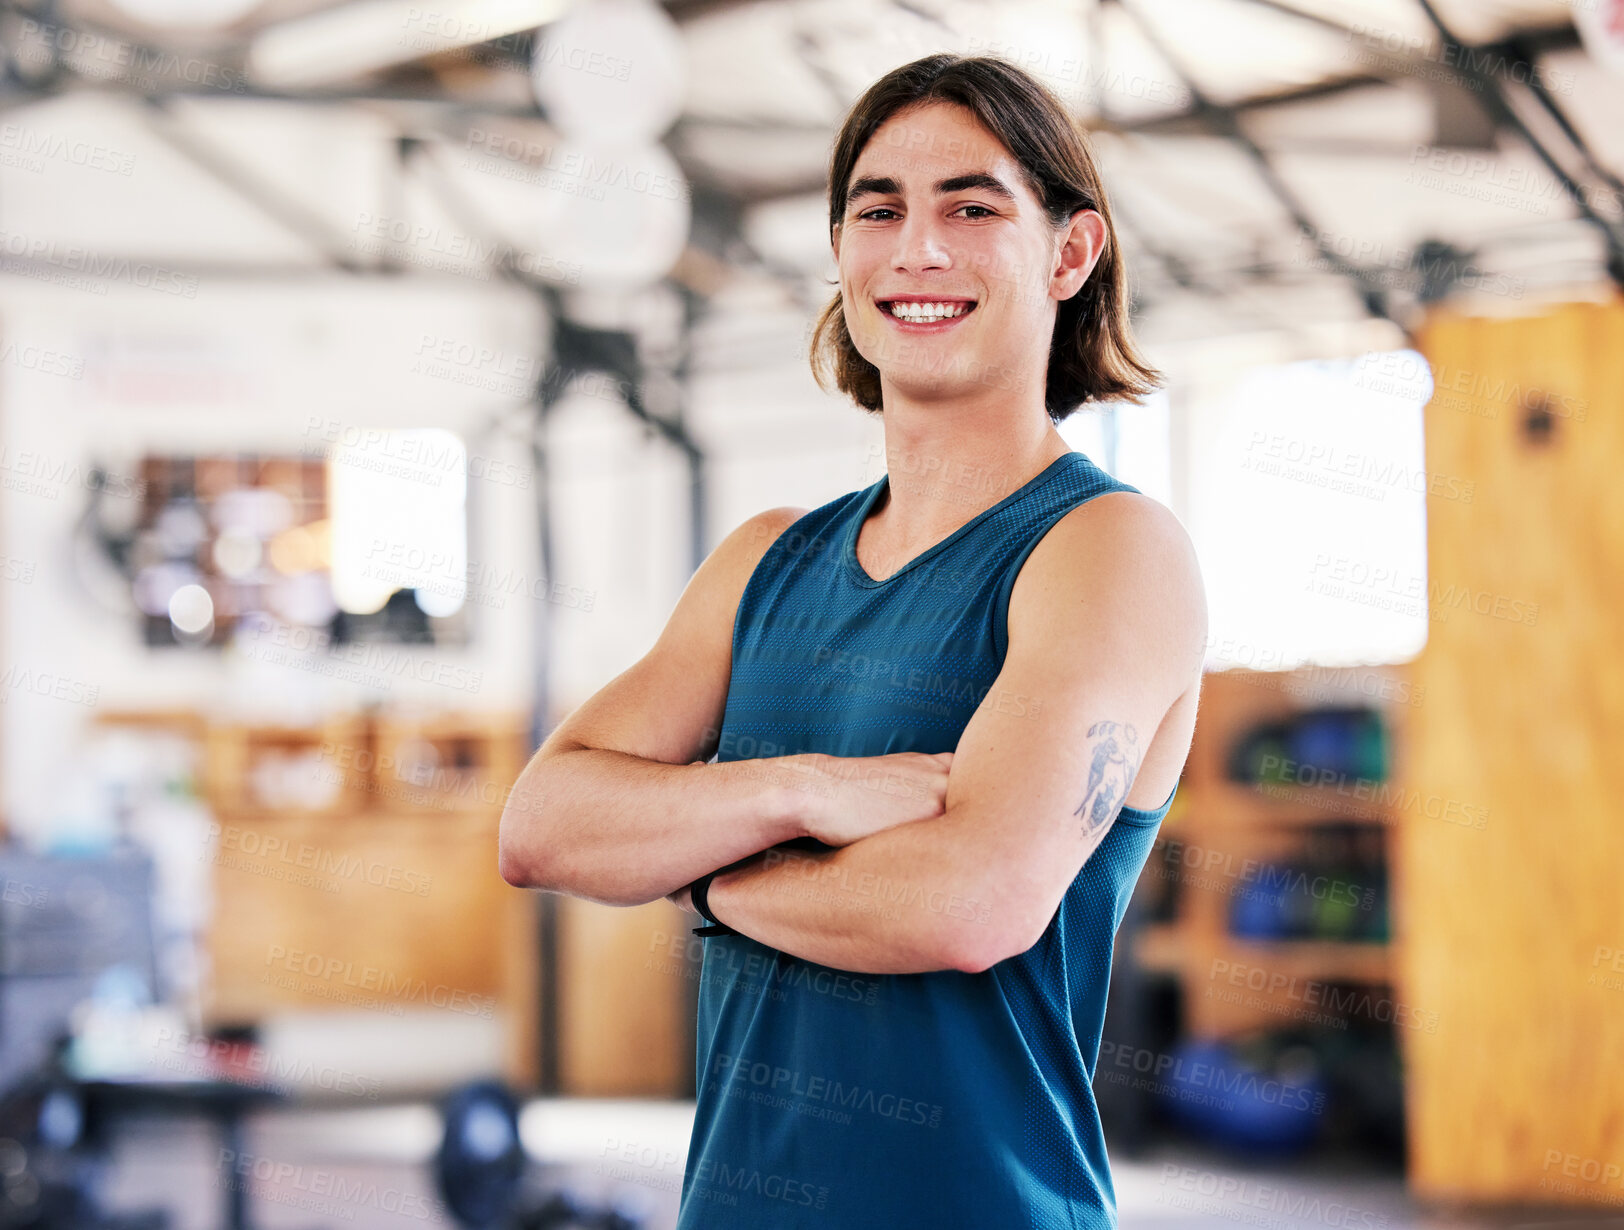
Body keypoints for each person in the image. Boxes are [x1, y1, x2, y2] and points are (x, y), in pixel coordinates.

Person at [499, 51, 1207, 1230]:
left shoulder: (1108, 552)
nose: (915, 250)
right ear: (839, 252)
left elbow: (968, 905)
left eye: (971, 209)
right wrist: (807, 791)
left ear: (1070, 253)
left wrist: (700, 867)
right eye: (877, 210)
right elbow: (542, 826)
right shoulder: (762, 561)